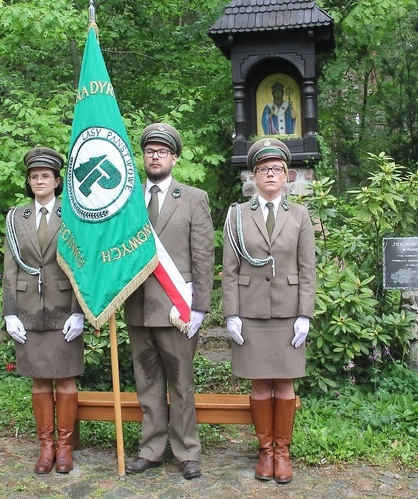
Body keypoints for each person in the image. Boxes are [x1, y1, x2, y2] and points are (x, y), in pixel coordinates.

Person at [123, 123, 215, 480]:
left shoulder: (193, 198)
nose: (155, 156)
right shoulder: (127, 202)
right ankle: (151, 449)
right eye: (150, 150)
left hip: (178, 309)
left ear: (174, 157)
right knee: (147, 384)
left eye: (162, 151)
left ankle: (187, 451)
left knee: (181, 384)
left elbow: (204, 256)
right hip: (137, 305)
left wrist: (200, 308)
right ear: (143, 156)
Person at [222, 138, 316, 484]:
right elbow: (229, 270)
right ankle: (265, 451)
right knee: (260, 385)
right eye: (263, 169)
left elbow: (308, 269)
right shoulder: (237, 215)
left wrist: (305, 314)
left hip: (289, 312)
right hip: (250, 313)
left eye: (276, 169)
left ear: (287, 175)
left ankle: (283, 451)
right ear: (255, 176)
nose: (270, 174)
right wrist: (231, 313)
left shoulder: (300, 215)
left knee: (286, 386)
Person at [2, 147, 85, 475]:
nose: (39, 181)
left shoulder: (74, 216)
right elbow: (10, 269)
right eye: (34, 176)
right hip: (28, 311)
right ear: (29, 181)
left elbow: (82, 265)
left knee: (65, 381)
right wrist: (9, 313)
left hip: (63, 308)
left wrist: (79, 311)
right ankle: (46, 445)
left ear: (56, 181)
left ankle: (65, 447)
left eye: (45, 176)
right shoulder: (15, 217)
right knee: (39, 383)